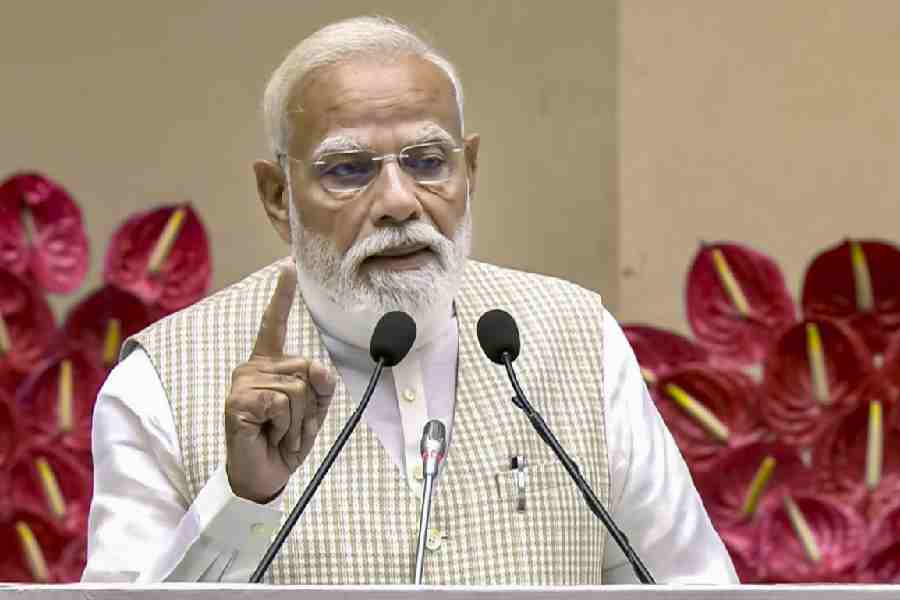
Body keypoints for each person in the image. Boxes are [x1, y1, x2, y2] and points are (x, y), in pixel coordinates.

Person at [82, 16, 737, 585]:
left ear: (469, 169)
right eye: (348, 169)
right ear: (279, 196)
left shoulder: (575, 340)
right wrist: (243, 498)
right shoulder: (161, 384)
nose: (399, 202)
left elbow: (689, 584)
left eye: (428, 161)